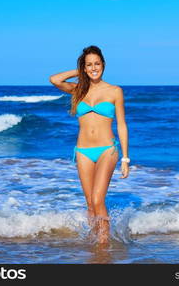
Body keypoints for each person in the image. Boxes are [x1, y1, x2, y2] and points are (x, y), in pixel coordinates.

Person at [49, 45, 130, 244]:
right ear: (84, 68)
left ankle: (103, 246)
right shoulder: (78, 89)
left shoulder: (114, 91)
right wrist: (81, 70)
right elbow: (54, 79)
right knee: (90, 204)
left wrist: (126, 158)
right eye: (89, 65)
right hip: (83, 151)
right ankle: (95, 242)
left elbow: (122, 125)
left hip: (107, 150)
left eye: (97, 63)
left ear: (104, 64)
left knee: (97, 199)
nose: (94, 68)